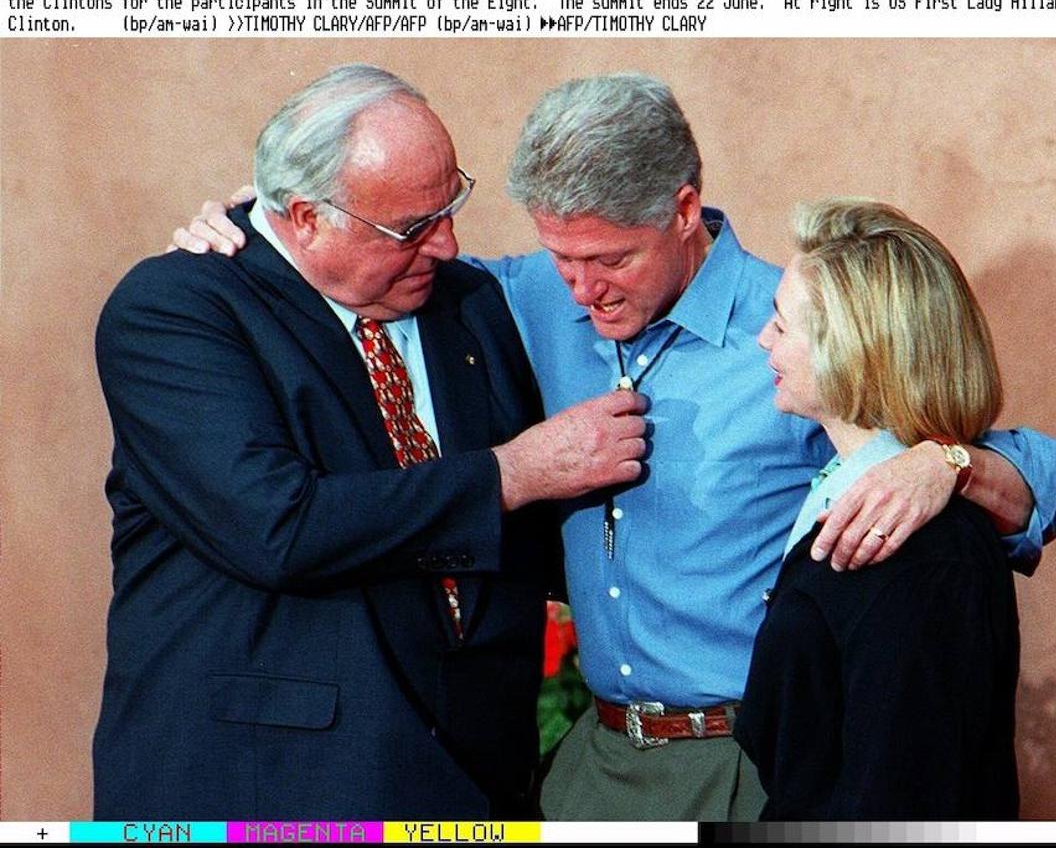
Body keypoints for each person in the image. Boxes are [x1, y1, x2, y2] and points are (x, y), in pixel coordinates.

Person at [172, 72, 1056, 820]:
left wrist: (950, 462)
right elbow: (346, 241)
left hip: (747, 763)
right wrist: (248, 226)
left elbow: (1028, 471)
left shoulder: (802, 327)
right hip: (590, 766)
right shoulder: (509, 303)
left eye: (610, 259)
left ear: (683, 209)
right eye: (560, 256)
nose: (583, 289)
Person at [93, 64, 649, 821]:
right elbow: (277, 527)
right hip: (267, 786)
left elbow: (659, 249)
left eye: (450, 207)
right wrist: (511, 474)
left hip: (471, 779)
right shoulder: (178, 309)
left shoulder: (471, 303)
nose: (448, 245)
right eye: (412, 228)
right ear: (306, 218)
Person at [734, 199, 1024, 820]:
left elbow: (902, 799)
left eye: (782, 325)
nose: (764, 338)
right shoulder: (849, 494)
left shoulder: (925, 556)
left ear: (853, 350)